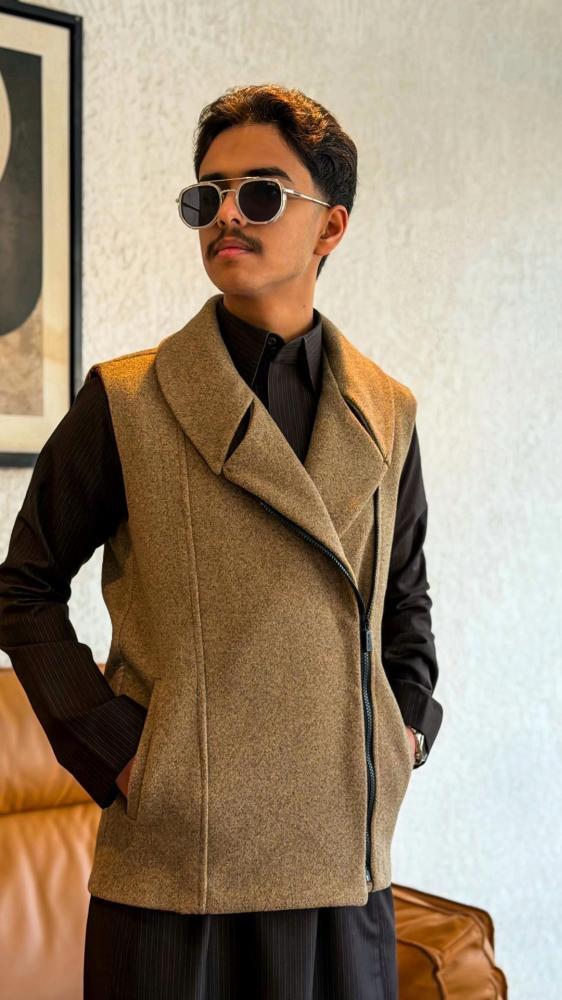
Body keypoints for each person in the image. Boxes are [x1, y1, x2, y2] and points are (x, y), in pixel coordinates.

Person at [0, 83, 444, 999]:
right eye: (208, 196)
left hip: (343, 863)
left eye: (261, 193)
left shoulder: (389, 412)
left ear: (330, 228)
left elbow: (405, 597)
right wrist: (117, 750)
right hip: (178, 876)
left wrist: (406, 728)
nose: (227, 215)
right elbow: (23, 588)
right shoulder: (127, 401)